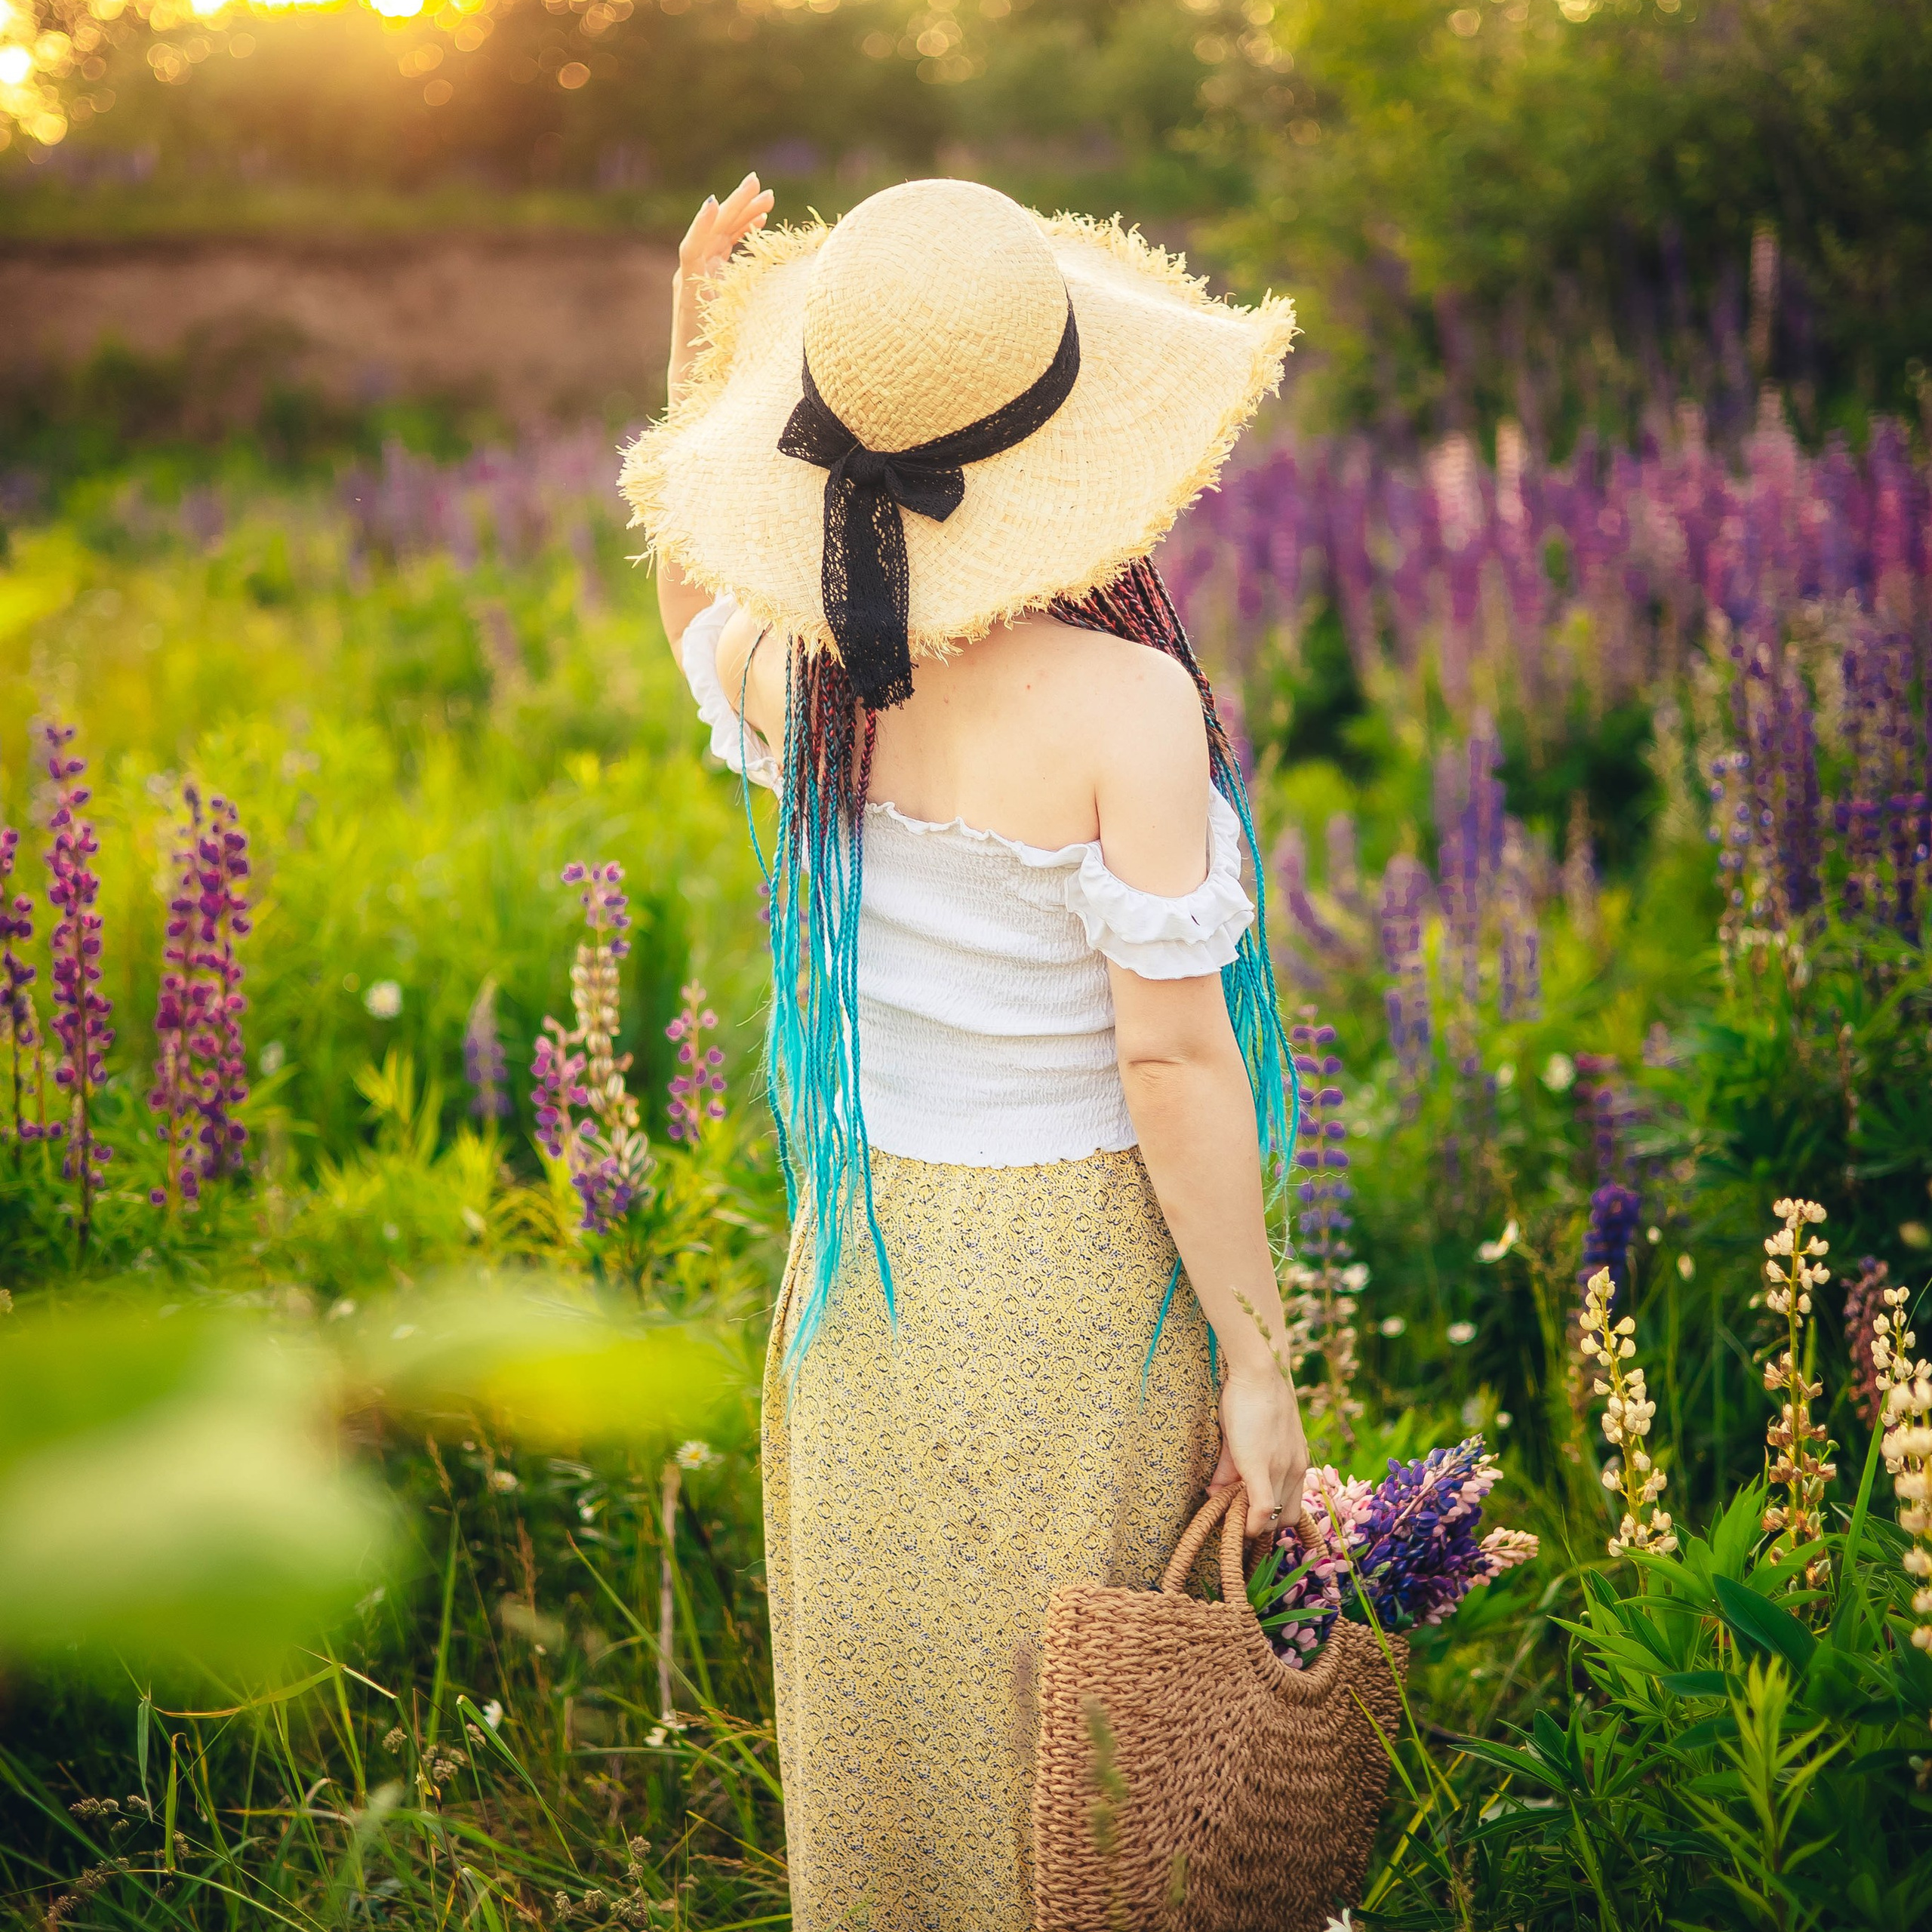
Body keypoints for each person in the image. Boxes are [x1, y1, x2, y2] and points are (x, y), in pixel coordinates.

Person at [626, 171, 1309, 1932]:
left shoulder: (809, 669)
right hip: (1075, 1274)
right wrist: (1257, 1356)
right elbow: (1169, 1064)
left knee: (902, 1725)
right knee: (1074, 1725)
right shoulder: (1123, 706)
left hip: (867, 1271)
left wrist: (697, 343)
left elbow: (690, 598)